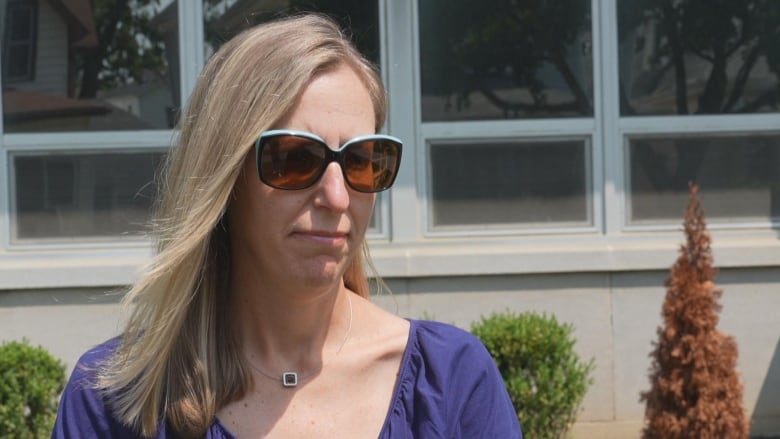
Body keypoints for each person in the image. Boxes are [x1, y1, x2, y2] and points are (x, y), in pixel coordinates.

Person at [52, 13, 523, 439]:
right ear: (225, 179)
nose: (338, 197)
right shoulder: (116, 400)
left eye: (362, 161)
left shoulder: (452, 383)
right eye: (295, 158)